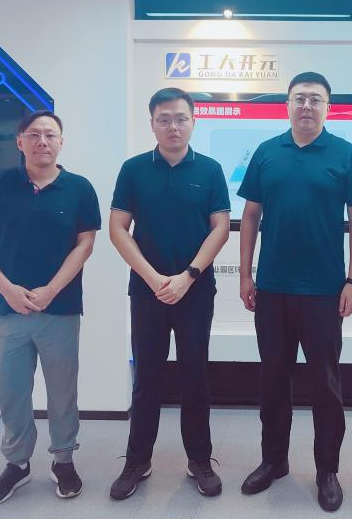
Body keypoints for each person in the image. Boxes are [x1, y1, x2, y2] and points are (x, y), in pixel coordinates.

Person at [237, 71, 352, 512]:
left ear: (327, 107)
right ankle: (273, 461)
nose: (307, 106)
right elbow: (251, 215)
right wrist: (245, 275)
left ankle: (327, 469)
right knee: (272, 379)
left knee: (325, 385)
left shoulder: (345, 154)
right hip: (272, 288)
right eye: (299, 98)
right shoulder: (267, 152)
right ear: (288, 105)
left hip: (324, 291)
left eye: (315, 99)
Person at [0, 110, 101, 504]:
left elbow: (85, 245)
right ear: (20, 141)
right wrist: (7, 289)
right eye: (35, 134)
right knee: (10, 392)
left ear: (62, 142)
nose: (43, 141)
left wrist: (51, 290)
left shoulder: (79, 188)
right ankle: (17, 463)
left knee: (62, 392)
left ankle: (63, 460)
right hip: (6, 311)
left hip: (60, 310)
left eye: (51, 135)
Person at [108, 88, 230, 500]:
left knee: (196, 376)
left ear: (193, 121)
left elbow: (220, 228)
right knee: (146, 377)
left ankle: (199, 460)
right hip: (148, 293)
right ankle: (137, 461)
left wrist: (187, 276)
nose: (173, 126)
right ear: (152, 123)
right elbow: (118, 228)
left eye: (180, 118)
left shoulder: (210, 170)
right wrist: (153, 278)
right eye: (164, 119)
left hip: (195, 291)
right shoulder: (133, 170)